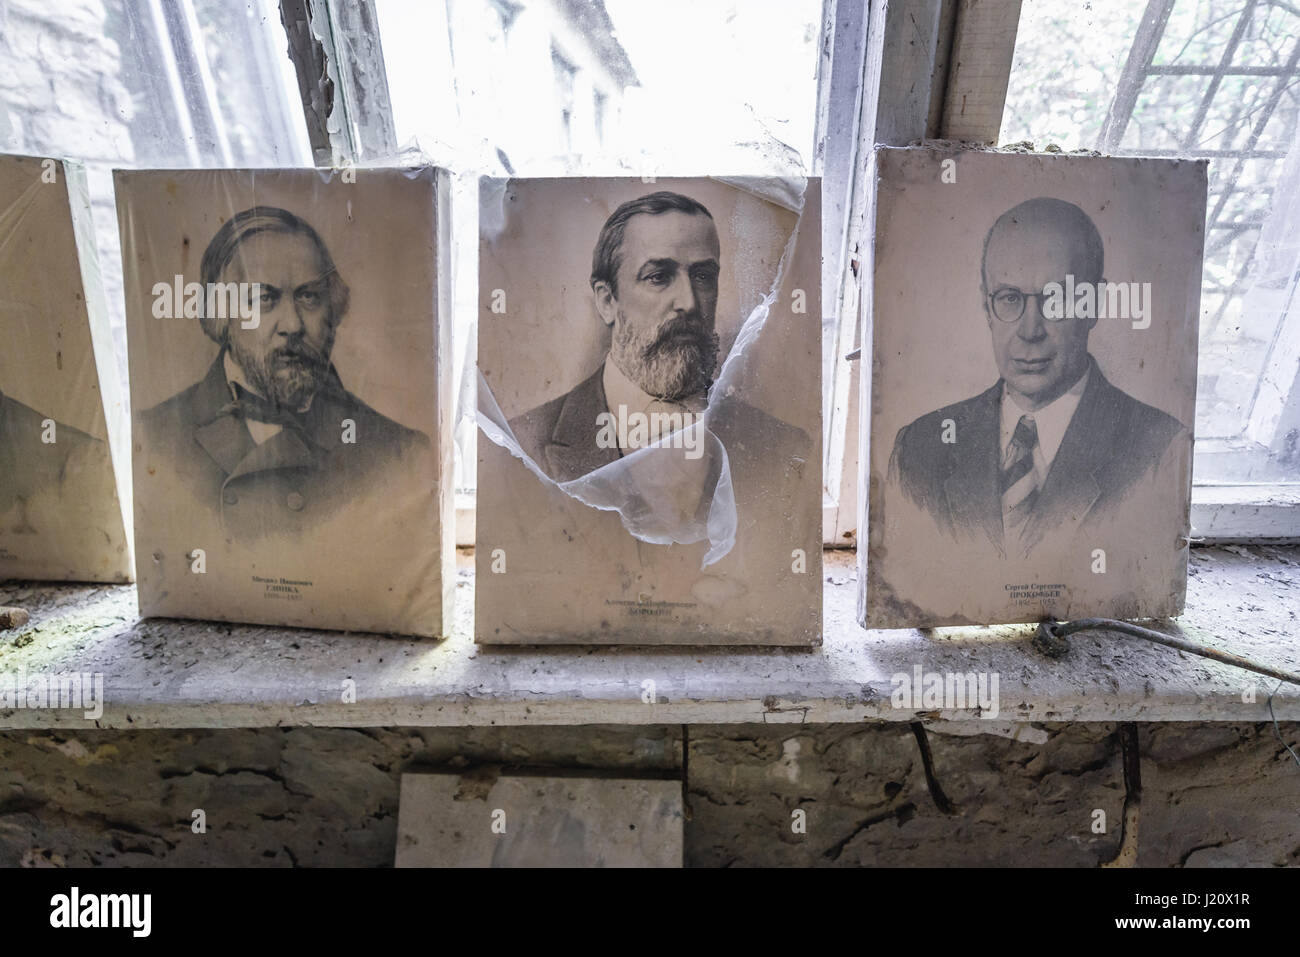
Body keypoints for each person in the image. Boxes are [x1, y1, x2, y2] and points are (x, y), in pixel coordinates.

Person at [888, 197, 1187, 558]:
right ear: (987, 308)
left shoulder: (1159, 451)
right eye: (1010, 298)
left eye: (1057, 299)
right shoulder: (919, 450)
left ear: (1094, 305)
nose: (1030, 331)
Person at [508, 190, 809, 516]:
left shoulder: (784, 447)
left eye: (703, 276)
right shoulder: (521, 445)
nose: (689, 303)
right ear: (607, 300)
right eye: (658, 277)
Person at [139, 206, 428, 540]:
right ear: (220, 315)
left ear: (332, 311)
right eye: (264, 298)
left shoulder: (398, 454)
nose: (292, 325)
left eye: (309, 297)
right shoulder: (152, 438)